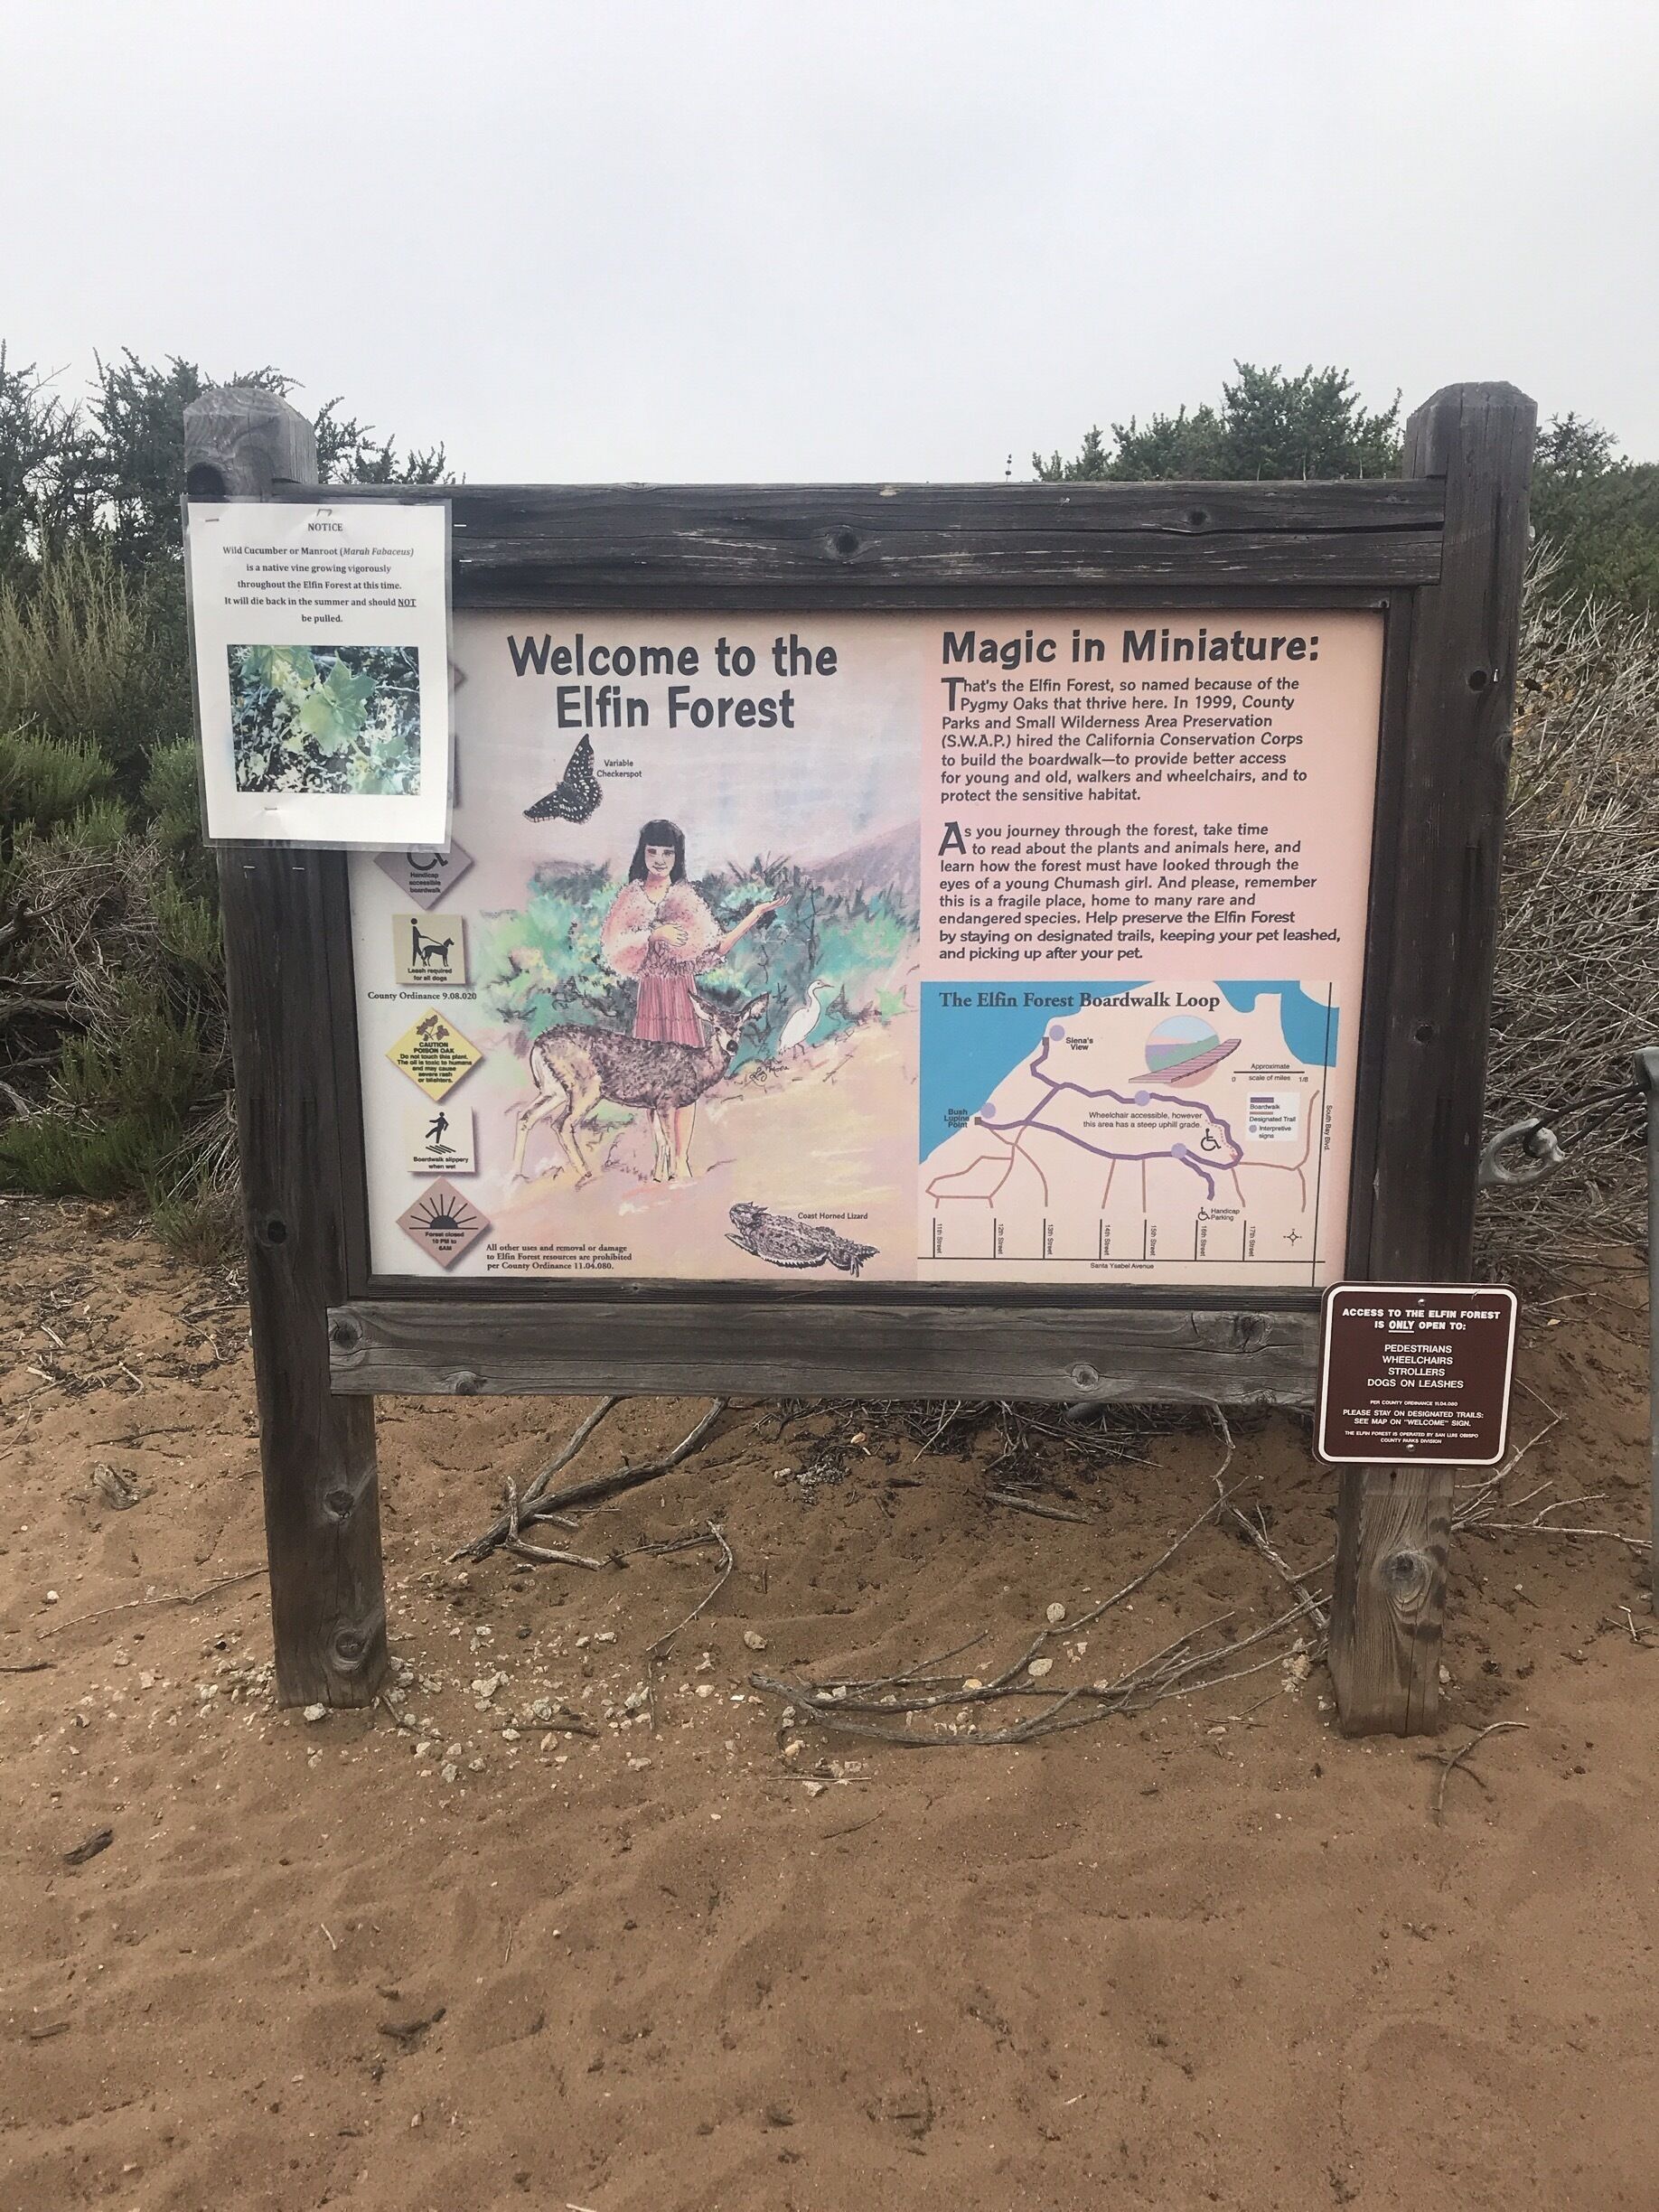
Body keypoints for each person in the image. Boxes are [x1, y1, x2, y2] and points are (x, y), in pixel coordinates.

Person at [600, 819, 779, 1180]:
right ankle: (660, 1160)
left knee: (687, 1081)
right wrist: (652, 935)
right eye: (654, 851)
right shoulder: (630, 897)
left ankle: (680, 1161)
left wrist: (754, 916)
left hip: (683, 996)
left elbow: (714, 949)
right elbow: (613, 948)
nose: (661, 859)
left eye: (668, 852)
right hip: (650, 994)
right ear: (643, 853)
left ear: (677, 855)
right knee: (653, 1079)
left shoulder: (686, 898)